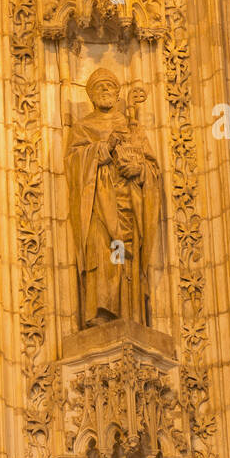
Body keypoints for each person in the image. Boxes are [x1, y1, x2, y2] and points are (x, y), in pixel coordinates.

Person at [65, 64, 161, 328]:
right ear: (91, 96)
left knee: (127, 256)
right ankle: (102, 310)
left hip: (128, 204)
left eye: (110, 86)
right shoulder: (82, 128)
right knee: (102, 250)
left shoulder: (132, 128)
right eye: (99, 87)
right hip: (98, 203)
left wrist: (139, 170)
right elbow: (73, 164)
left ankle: (129, 312)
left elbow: (152, 167)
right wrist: (102, 150)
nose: (105, 90)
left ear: (118, 93)